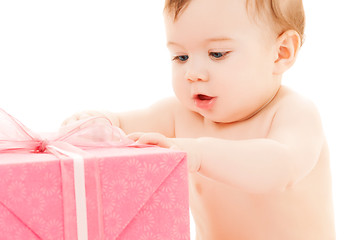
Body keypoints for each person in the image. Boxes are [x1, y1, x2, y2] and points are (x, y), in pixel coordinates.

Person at [63, 0, 335, 239]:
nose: (192, 73)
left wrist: (199, 153)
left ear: (281, 52)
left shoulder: (293, 113)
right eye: (181, 56)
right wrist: (98, 122)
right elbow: (123, 127)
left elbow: (280, 167)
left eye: (217, 54)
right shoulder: (180, 115)